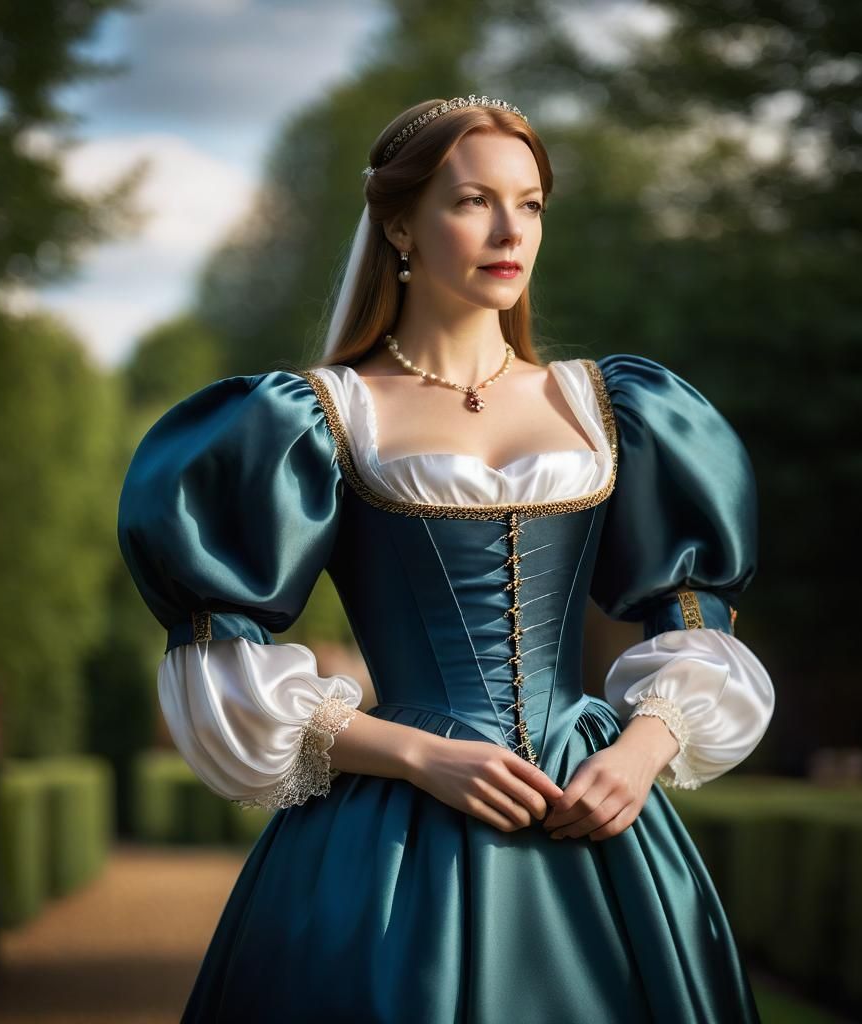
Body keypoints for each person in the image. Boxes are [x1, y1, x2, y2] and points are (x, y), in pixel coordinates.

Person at [117, 94, 776, 1023]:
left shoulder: (620, 406)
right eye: (473, 202)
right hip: (395, 830)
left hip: (596, 812)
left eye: (532, 203)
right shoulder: (312, 417)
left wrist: (641, 749)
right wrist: (422, 757)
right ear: (398, 224)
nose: (511, 230)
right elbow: (224, 665)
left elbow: (696, 624)